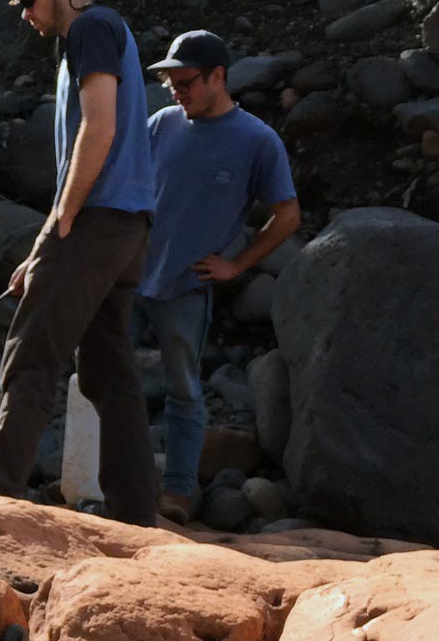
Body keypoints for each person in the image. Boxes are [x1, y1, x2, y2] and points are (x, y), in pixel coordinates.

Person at [0, 0, 161, 527]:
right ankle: (137, 517)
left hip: (95, 223)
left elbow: (101, 128)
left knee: (32, 355)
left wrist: (57, 227)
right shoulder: (97, 36)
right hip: (126, 228)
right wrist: (46, 244)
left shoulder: (91, 29)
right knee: (109, 374)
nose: (24, 11)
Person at [138, 30, 300, 524]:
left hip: (185, 287)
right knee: (106, 379)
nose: (176, 92)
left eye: (185, 82)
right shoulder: (161, 124)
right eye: (170, 84)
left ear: (218, 77)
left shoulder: (256, 140)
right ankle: (111, 479)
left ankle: (179, 491)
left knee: (183, 390)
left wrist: (237, 264)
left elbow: (288, 215)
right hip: (127, 277)